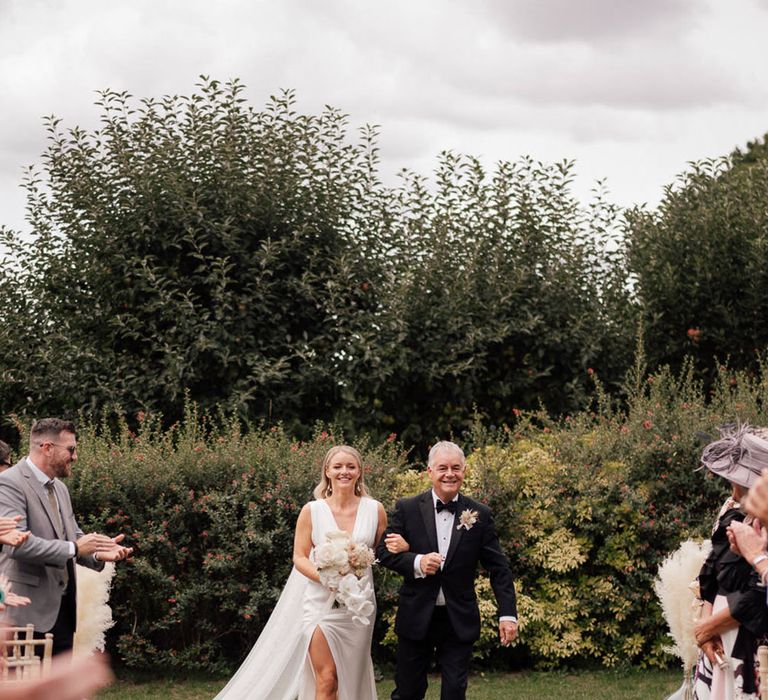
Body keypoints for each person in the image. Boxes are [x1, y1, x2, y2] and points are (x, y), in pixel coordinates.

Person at [215, 445, 388, 700]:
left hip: (357, 606)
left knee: (351, 676)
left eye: (351, 466)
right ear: (327, 471)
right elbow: (299, 556)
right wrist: (327, 579)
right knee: (327, 678)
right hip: (320, 604)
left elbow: (383, 552)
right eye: (338, 466)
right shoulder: (312, 510)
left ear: (359, 471)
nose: (344, 471)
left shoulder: (375, 509)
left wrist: (401, 547)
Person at [376, 440, 518, 700]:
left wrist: (508, 614)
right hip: (416, 614)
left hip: (458, 617)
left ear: (464, 471)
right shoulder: (407, 508)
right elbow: (382, 553)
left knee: (454, 692)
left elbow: (499, 568)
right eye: (442, 468)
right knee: (408, 692)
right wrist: (417, 561)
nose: (450, 474)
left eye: (456, 467)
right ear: (429, 472)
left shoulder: (480, 514)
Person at [0, 418, 133, 655]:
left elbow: (73, 534)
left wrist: (98, 552)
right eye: (70, 450)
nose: (75, 457)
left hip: (63, 613)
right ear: (47, 448)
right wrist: (74, 548)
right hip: (24, 614)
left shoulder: (59, 488)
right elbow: (17, 545)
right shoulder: (9, 483)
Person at [692, 425, 768, 700]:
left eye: (739, 482)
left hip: (751, 645)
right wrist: (705, 632)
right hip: (719, 640)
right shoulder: (731, 512)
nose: (733, 491)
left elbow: (758, 595)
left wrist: (710, 627)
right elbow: (710, 573)